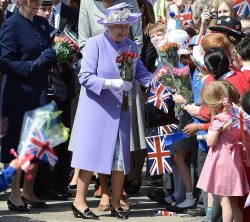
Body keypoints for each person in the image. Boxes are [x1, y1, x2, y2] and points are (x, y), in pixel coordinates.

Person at [70, 3, 152, 220]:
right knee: (91, 157)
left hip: (121, 112)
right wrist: (111, 83)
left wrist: (163, 82)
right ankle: (79, 202)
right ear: (108, 25)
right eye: (118, 26)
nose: (123, 31)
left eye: (126, 26)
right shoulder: (94, 44)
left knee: (120, 159)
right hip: (97, 110)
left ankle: (116, 202)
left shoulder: (131, 46)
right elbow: (85, 77)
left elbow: (142, 73)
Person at [0, 0, 56, 211]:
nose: (36, 5)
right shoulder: (11, 24)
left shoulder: (42, 24)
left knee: (36, 143)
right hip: (18, 92)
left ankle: (28, 192)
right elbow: (5, 61)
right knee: (18, 144)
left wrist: (56, 57)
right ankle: (15, 195)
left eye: (39, 1)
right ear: (20, 1)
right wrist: (36, 64)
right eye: (32, 1)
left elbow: (45, 50)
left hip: (39, 90)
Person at [35, 0, 79, 201]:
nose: (46, 10)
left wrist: (68, 57)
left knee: (62, 134)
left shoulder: (72, 13)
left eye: (48, 8)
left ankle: (60, 183)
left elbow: (79, 42)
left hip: (64, 83)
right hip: (40, 83)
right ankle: (40, 185)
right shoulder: (33, 13)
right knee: (42, 135)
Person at [197, 80, 249, 222]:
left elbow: (210, 142)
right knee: (235, 203)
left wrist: (215, 129)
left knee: (224, 202)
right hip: (235, 160)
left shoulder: (219, 120)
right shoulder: (236, 116)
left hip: (222, 162)